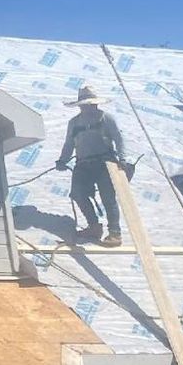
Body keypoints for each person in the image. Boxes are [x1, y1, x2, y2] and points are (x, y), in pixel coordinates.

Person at [57, 84, 128, 246]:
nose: (90, 107)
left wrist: (122, 158)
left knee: (108, 197)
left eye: (92, 104)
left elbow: (119, 138)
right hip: (82, 164)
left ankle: (115, 233)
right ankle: (94, 226)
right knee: (77, 194)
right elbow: (69, 144)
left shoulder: (106, 118)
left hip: (105, 164)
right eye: (87, 105)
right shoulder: (74, 123)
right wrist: (62, 160)